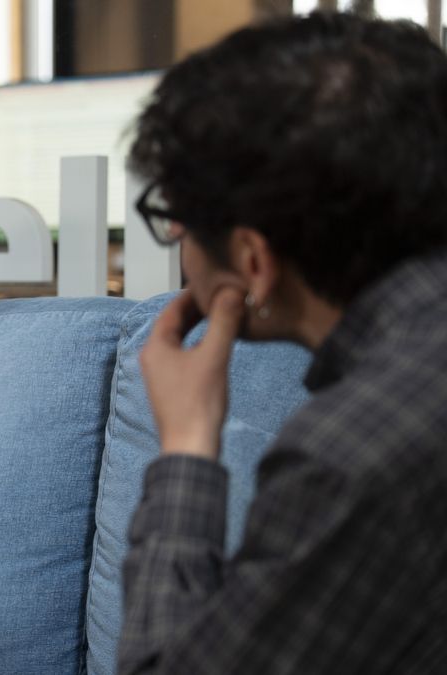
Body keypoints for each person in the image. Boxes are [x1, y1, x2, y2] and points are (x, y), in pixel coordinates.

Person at [118, 12, 447, 674]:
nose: (178, 240)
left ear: (253, 262)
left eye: (174, 220)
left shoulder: (349, 457)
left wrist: (186, 445)